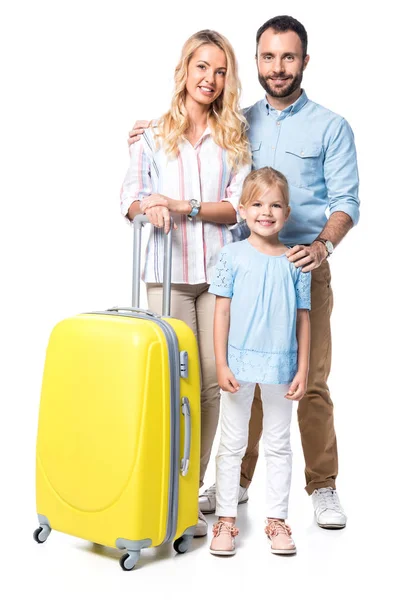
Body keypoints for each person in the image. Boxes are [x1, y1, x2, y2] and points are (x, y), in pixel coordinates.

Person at [127, 15, 360, 529]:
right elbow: (189, 136)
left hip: (302, 266)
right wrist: (149, 131)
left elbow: (346, 203)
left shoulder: (330, 126)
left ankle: (322, 486)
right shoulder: (238, 122)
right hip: (245, 271)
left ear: (304, 61)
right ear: (255, 62)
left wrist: (321, 247)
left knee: (310, 381)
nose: (278, 68)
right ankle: (236, 484)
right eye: (269, 57)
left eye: (289, 57)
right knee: (244, 376)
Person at [120, 30, 251, 538]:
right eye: (202, 67)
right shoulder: (152, 136)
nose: (210, 80)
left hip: (218, 277)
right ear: (185, 69)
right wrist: (149, 206)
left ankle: (190, 492)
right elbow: (131, 197)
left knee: (215, 384)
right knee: (177, 384)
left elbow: (238, 208)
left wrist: (181, 205)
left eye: (220, 71)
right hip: (168, 276)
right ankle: (165, 490)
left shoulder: (233, 137)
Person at [208, 167, 310, 556]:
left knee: (279, 444)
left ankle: (277, 519)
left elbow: (304, 318)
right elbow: (221, 314)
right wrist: (221, 363)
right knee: (232, 442)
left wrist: (302, 368)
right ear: (243, 209)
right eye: (257, 204)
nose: (266, 212)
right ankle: (226, 519)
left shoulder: (295, 261)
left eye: (275, 205)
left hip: (282, 368)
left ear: (286, 212)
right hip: (238, 365)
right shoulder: (231, 256)